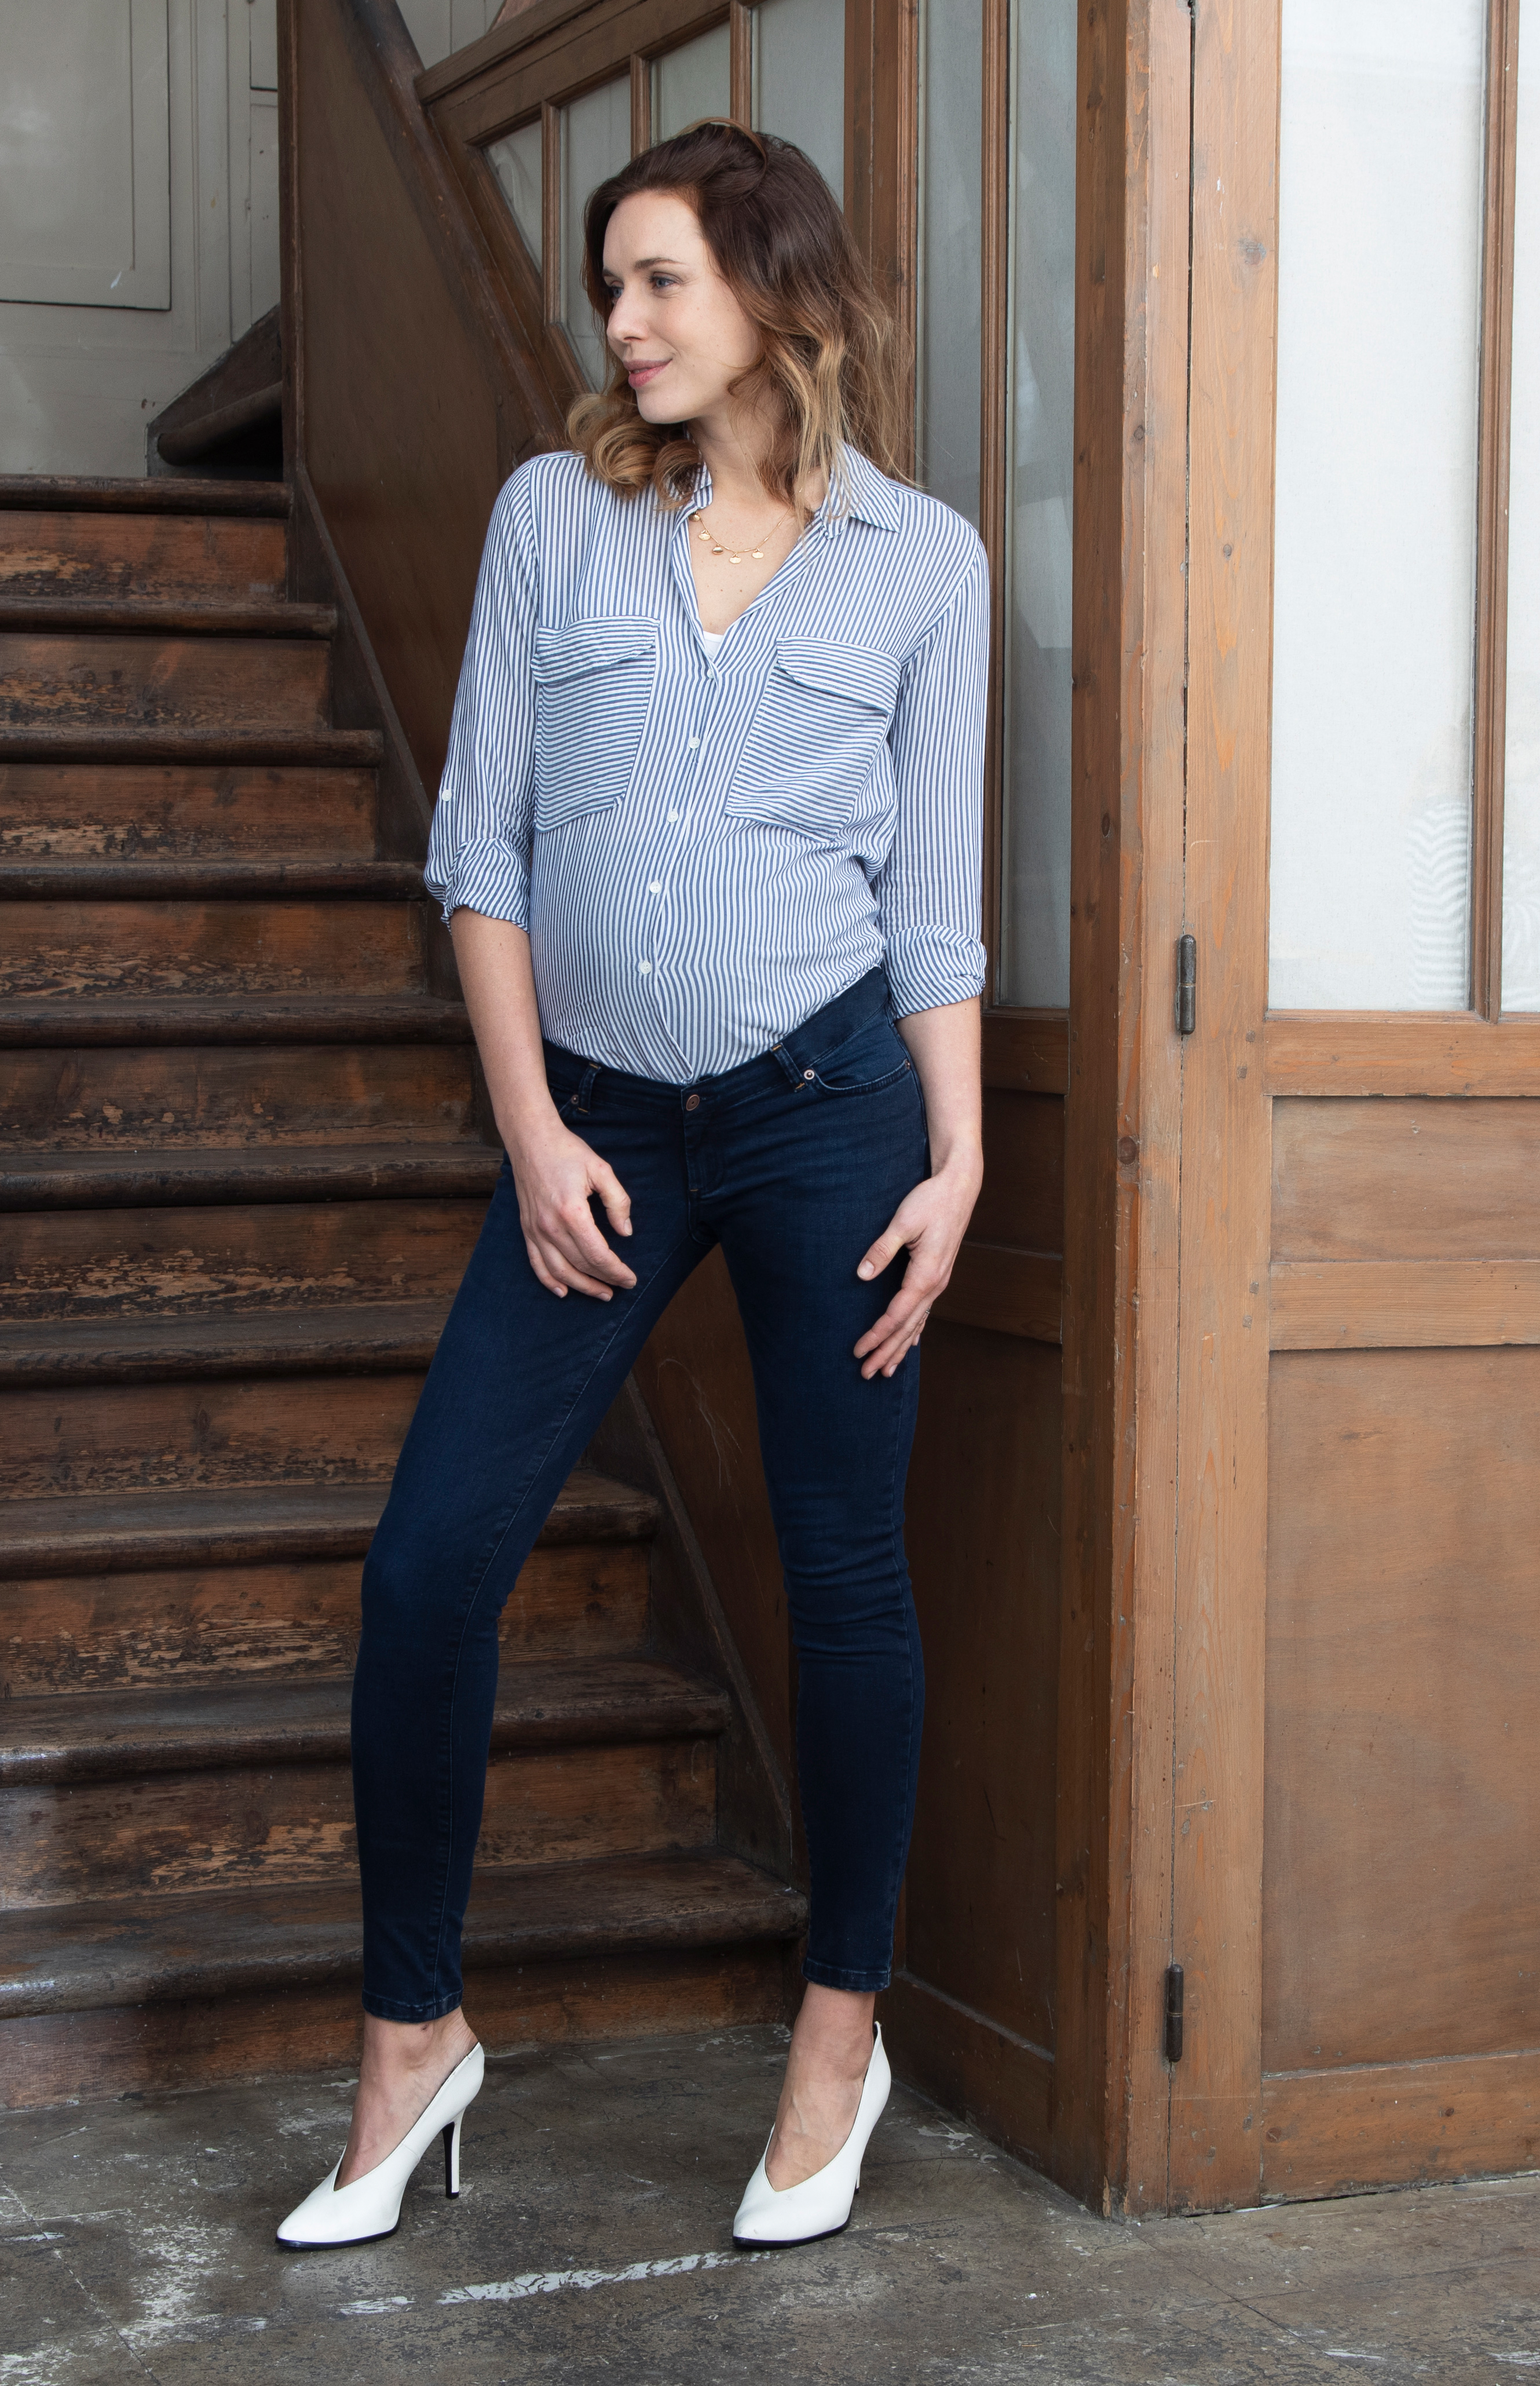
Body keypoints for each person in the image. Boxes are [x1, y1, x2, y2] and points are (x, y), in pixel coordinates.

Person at [277, 119, 988, 2255]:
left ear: (774, 291)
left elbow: (930, 906)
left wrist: (958, 1157)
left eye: (660, 277)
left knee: (844, 1580)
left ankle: (835, 2042)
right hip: (591, 1122)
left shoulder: (923, 565)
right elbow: (479, 847)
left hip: (827, 1112)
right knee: (430, 1570)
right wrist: (530, 1130)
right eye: (612, 285)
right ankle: (412, 2041)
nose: (624, 320)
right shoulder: (550, 519)